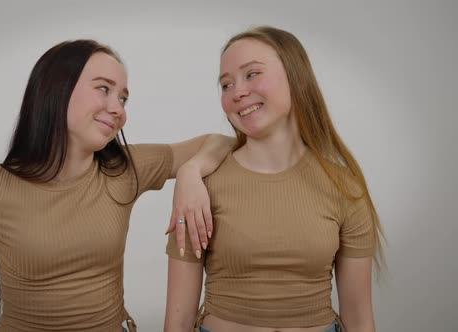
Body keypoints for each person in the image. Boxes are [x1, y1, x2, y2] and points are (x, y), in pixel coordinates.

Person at [0, 39, 233, 332]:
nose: (118, 109)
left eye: (123, 98)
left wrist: (190, 174)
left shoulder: (124, 169)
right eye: (104, 89)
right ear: (57, 89)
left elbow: (220, 141)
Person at [165, 26, 385, 332]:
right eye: (226, 84)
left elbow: (360, 318)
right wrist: (188, 173)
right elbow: (177, 322)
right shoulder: (201, 187)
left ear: (297, 78)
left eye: (252, 74)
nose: (237, 91)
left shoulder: (344, 187)